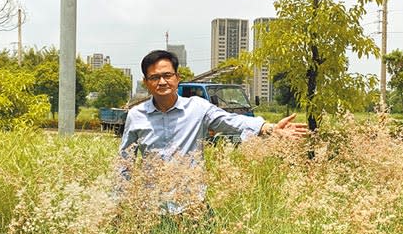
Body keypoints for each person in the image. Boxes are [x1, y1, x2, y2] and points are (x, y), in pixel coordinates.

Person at [120, 50, 307, 164]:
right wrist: (117, 205)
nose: (162, 82)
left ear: (177, 78)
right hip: (150, 209)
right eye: (154, 77)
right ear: (146, 82)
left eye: (167, 75)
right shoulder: (136, 115)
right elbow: (124, 161)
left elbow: (231, 121)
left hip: (192, 205)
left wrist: (270, 128)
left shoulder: (197, 108)